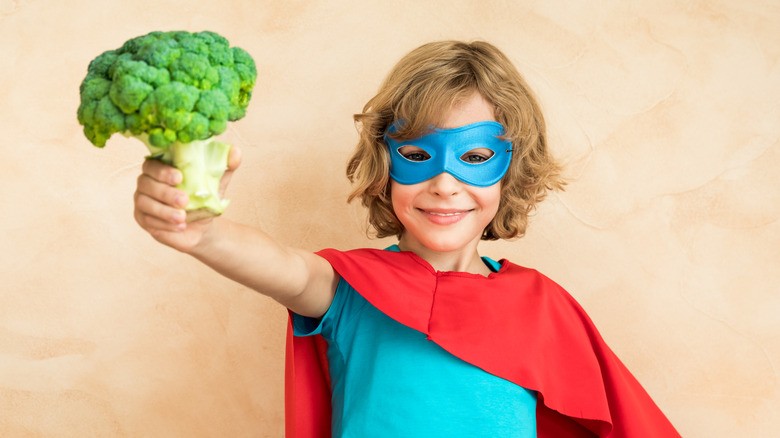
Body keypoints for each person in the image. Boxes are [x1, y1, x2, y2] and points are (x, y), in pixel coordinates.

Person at [134, 41, 680, 437]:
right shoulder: (351, 289)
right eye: (418, 157)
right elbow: (288, 270)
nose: (445, 184)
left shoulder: (543, 306)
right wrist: (203, 231)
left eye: (474, 157)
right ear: (386, 164)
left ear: (510, 171)